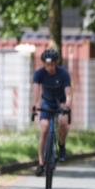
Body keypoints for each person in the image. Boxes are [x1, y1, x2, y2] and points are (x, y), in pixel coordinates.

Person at [31, 48, 71, 176]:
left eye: (53, 64)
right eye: (47, 64)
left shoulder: (63, 73)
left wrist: (67, 105)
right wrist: (35, 105)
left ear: (56, 63)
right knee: (44, 128)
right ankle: (41, 163)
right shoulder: (39, 74)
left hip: (61, 102)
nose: (50, 67)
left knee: (63, 122)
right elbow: (36, 92)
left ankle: (61, 145)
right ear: (44, 64)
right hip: (47, 102)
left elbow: (69, 93)